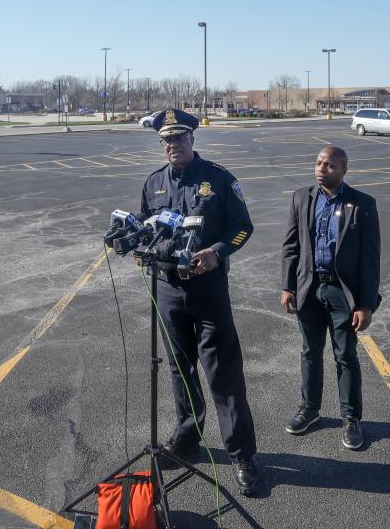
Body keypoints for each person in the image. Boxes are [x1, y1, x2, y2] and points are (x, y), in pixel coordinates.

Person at [137, 108, 260, 495]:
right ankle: (188, 439)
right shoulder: (153, 183)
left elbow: (243, 227)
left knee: (223, 373)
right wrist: (142, 246)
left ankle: (242, 454)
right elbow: (143, 227)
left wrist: (218, 252)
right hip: (169, 290)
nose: (173, 145)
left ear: (193, 139)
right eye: (167, 140)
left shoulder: (219, 179)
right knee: (179, 370)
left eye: (180, 138)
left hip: (207, 289)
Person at [280, 146, 381, 450]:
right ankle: (310, 410)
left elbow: (370, 259)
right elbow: (291, 246)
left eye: (330, 165)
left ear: (344, 170)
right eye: (319, 162)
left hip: (342, 291)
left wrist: (364, 304)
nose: (322, 168)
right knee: (310, 351)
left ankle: (351, 418)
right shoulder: (301, 198)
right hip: (308, 288)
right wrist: (287, 287)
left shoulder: (362, 204)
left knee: (345, 356)